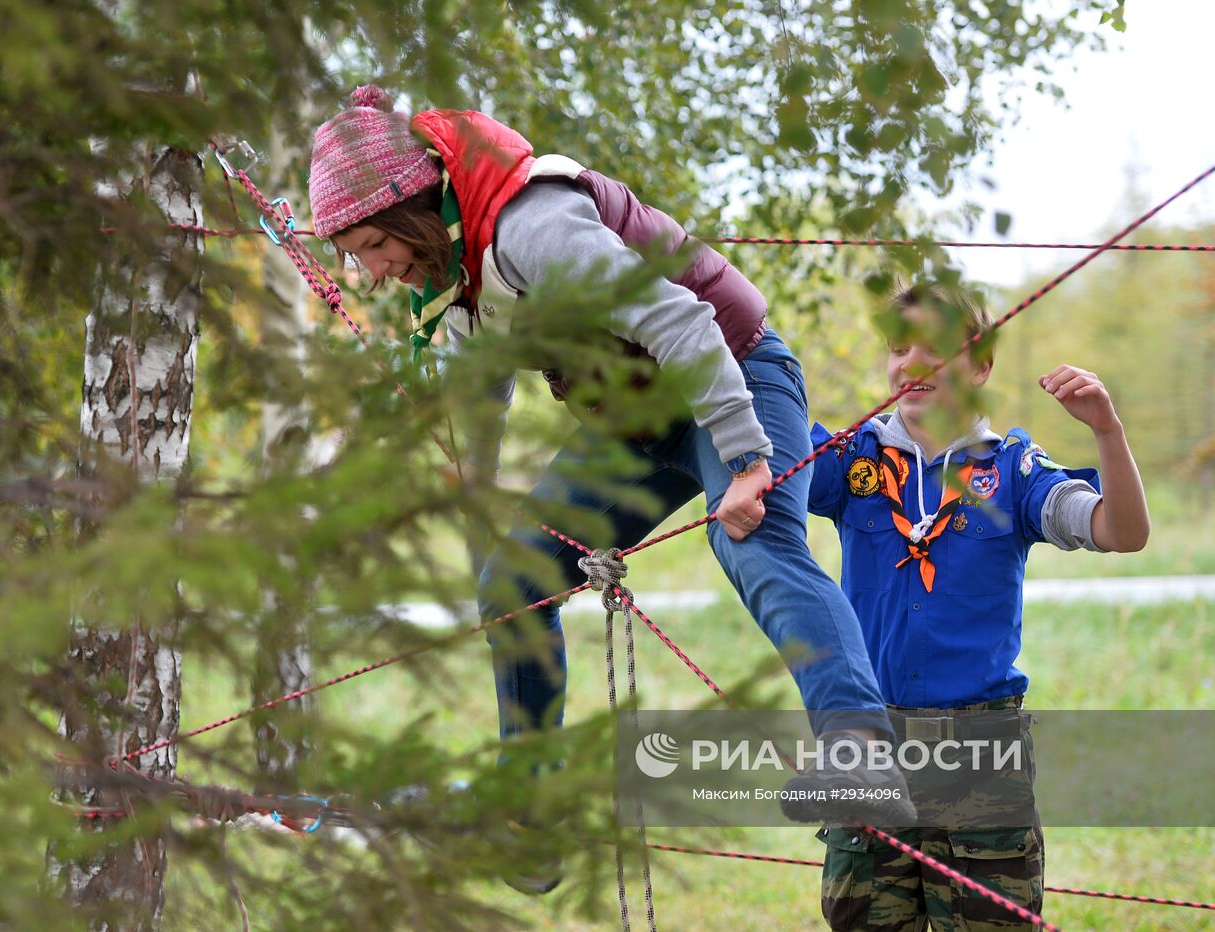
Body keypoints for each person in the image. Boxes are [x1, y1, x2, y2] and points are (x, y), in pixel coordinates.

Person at [306, 86, 914, 887]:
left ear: (416, 206)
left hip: (731, 372)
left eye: (373, 247)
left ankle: (861, 756)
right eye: (358, 259)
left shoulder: (532, 224)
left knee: (752, 544)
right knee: (513, 586)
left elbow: (680, 322)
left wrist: (745, 458)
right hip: (634, 424)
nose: (375, 273)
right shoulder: (452, 277)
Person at [807, 282, 1150, 930]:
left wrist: (1108, 429)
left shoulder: (1013, 470)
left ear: (981, 365)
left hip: (979, 762)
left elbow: (1121, 531)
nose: (910, 363)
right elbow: (764, 458)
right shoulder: (856, 459)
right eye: (898, 347)